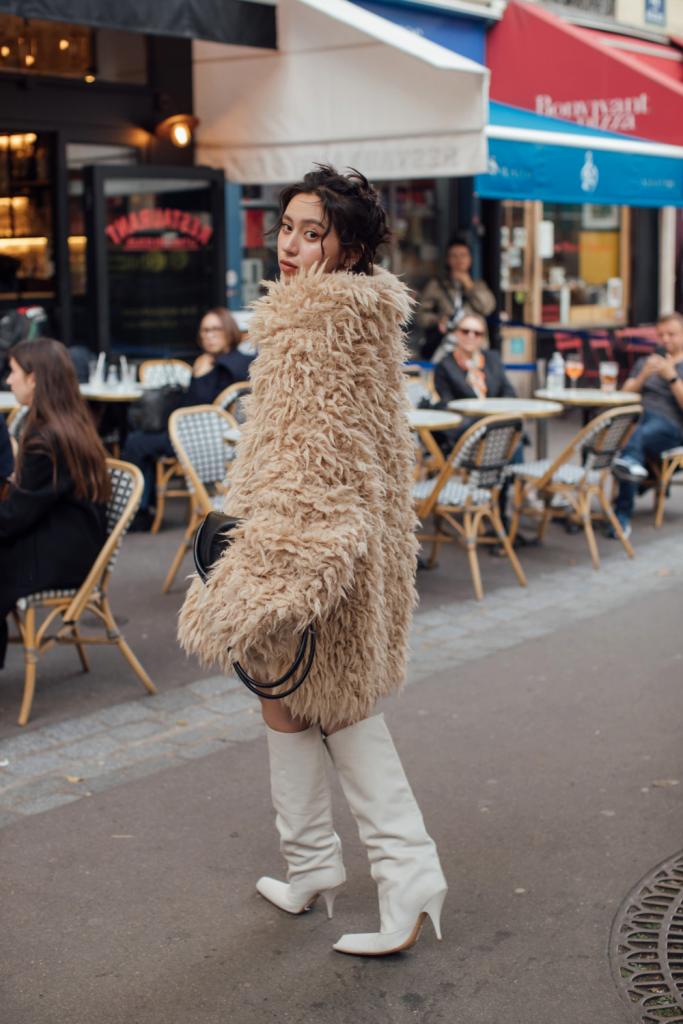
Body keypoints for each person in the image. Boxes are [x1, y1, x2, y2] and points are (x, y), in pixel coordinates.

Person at [178, 166, 447, 957]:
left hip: (313, 546)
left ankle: (408, 872)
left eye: (311, 232)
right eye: (285, 228)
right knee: (286, 703)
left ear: (350, 246)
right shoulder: (337, 316)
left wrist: (274, 564)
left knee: (339, 706)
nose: (289, 246)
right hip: (327, 538)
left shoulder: (317, 325)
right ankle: (311, 867)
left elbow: (316, 458)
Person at [0, 338, 109, 669]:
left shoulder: (45, 439)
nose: (8, 379)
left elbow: (15, 516)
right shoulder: (68, 423)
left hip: (60, 555)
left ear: (34, 378)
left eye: (13, 371)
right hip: (74, 540)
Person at [122, 308, 253, 531]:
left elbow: (198, 404)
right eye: (204, 330)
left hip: (198, 439)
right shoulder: (240, 361)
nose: (209, 335)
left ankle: (140, 512)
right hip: (204, 435)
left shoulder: (222, 367)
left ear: (229, 330)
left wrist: (200, 374)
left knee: (135, 442)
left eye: (215, 329)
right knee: (142, 438)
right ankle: (145, 505)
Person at [611, 312, 683, 536]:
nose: (666, 340)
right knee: (607, 435)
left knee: (635, 438)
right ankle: (629, 468)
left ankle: (621, 515)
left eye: (671, 334)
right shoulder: (646, 361)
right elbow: (624, 393)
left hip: (670, 427)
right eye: (661, 335)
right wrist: (643, 375)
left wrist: (672, 377)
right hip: (639, 421)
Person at [416, 236, 496, 361]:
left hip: (475, 346)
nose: (459, 260)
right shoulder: (436, 285)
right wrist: (438, 320)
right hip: (447, 347)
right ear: (448, 260)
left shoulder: (479, 285)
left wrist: (469, 286)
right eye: (454, 256)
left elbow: (487, 308)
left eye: (463, 255)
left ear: (470, 259)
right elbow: (420, 315)